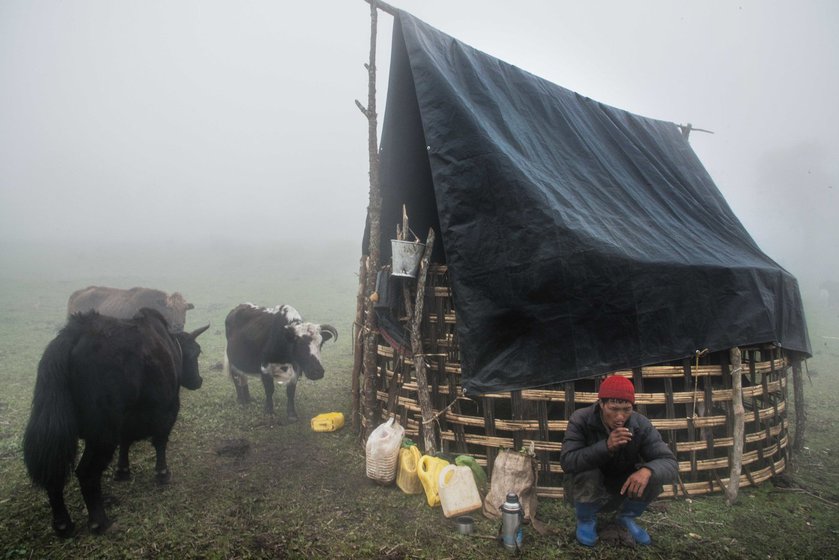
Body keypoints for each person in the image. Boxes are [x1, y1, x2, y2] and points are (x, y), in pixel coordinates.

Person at [560, 375, 678, 547]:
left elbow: (670, 462)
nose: (620, 417)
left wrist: (647, 471)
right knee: (588, 469)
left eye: (626, 409)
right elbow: (567, 461)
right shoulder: (581, 419)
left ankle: (626, 517)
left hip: (620, 491)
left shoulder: (641, 424)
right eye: (613, 409)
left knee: (651, 474)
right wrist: (606, 447)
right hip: (585, 490)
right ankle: (586, 520)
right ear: (601, 404)